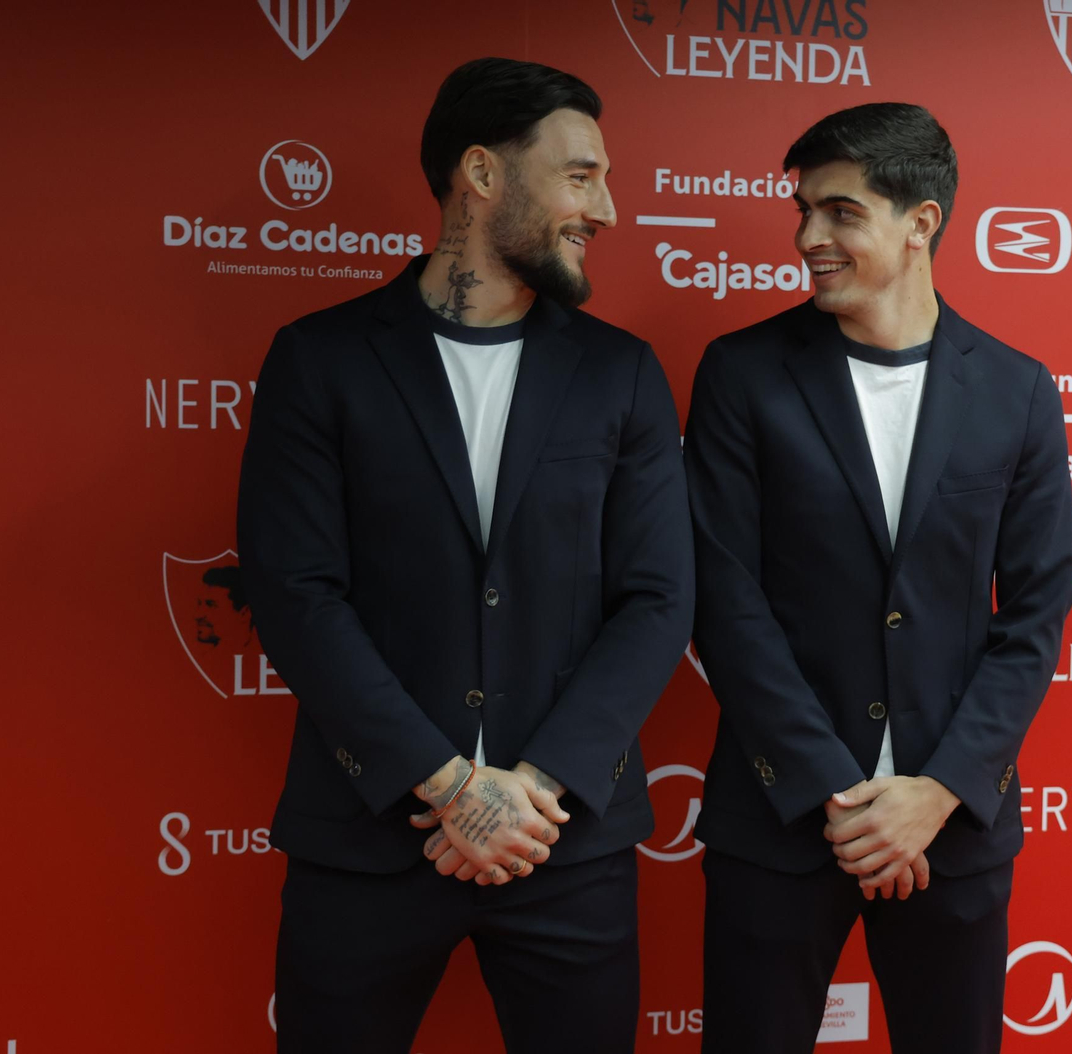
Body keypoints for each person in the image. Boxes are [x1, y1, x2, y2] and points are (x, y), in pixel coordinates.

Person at [237, 57, 693, 1054]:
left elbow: (660, 598)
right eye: (581, 175)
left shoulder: (621, 374)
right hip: (367, 839)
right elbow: (296, 591)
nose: (607, 208)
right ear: (481, 173)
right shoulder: (321, 359)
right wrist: (447, 785)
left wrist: (533, 789)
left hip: (565, 841)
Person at [685, 102, 1072, 1053]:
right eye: (802, 211)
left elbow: (1033, 614)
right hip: (781, 817)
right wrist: (838, 790)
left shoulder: (1017, 389)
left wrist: (938, 790)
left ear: (921, 223)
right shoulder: (743, 374)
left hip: (955, 826)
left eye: (840, 213)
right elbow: (724, 600)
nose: (807, 237)